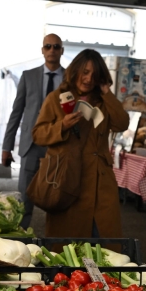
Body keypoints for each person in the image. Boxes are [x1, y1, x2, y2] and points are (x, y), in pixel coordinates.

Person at [30, 49, 128, 237]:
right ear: (75, 71)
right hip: (66, 179)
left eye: (94, 74)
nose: (89, 79)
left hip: (100, 182)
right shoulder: (56, 98)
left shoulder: (103, 101)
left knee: (102, 243)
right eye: (85, 72)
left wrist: (107, 93)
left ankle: (96, 269)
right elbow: (38, 134)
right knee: (68, 245)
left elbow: (122, 123)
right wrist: (62, 126)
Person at [3, 34, 65, 229]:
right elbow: (16, 113)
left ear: (61, 50)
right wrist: (7, 146)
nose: (52, 50)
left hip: (58, 145)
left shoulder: (70, 79)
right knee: (24, 197)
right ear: (42, 50)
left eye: (56, 47)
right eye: (48, 46)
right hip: (31, 145)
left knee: (56, 197)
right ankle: (19, 238)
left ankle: (55, 243)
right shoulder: (28, 76)